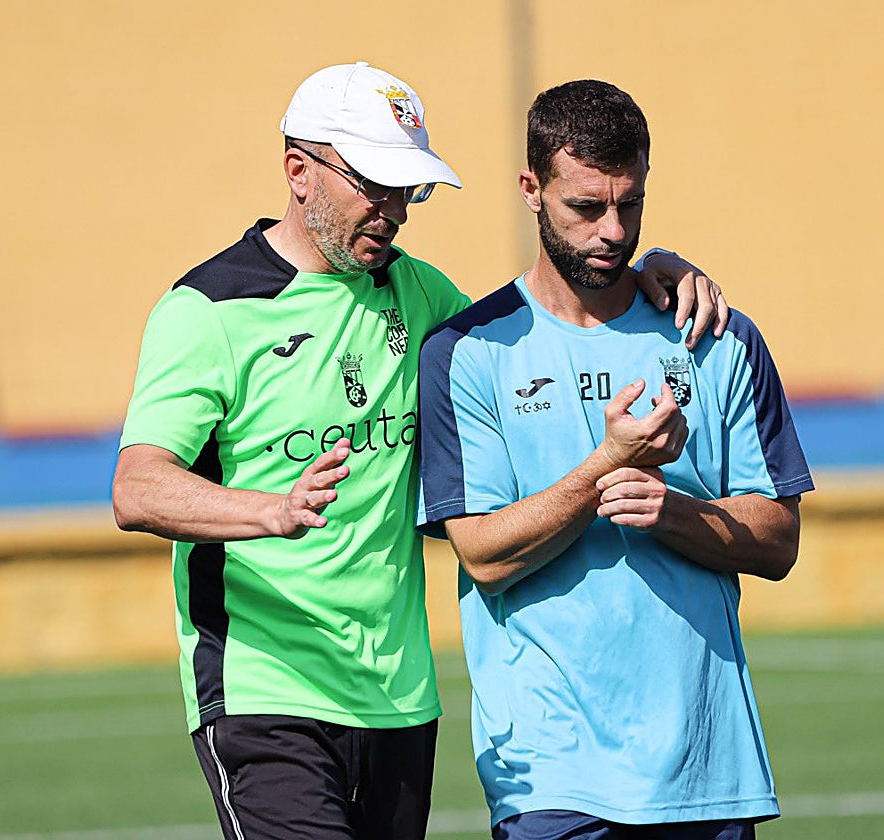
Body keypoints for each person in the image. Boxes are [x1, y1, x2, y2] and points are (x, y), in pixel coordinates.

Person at [113, 61, 728, 840]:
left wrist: (647, 273)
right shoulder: (206, 312)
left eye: (408, 188)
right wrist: (267, 510)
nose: (394, 210)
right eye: (374, 183)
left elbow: (538, 329)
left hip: (400, 699)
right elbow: (138, 489)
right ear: (298, 172)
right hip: (265, 690)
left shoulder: (425, 297)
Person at [417, 79, 814, 840]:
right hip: (551, 775)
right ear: (531, 191)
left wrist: (672, 511)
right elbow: (486, 556)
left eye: (629, 205)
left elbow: (778, 540)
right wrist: (607, 466)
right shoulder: (467, 352)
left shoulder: (718, 338)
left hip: (708, 771)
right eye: (586, 208)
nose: (612, 229)